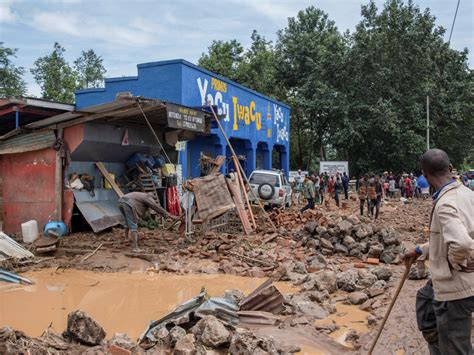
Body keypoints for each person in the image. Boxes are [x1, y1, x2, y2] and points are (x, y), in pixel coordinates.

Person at [403, 149, 474, 355]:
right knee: (425, 299)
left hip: (456, 288)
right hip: (454, 281)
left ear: (424, 175)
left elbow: (460, 243)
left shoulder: (445, 204)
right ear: (451, 169)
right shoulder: (468, 194)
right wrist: (419, 250)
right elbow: (449, 238)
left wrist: (456, 262)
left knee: (456, 347)